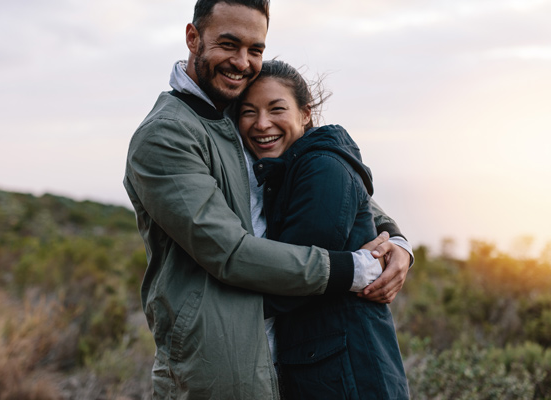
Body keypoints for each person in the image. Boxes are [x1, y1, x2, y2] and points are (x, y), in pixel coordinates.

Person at [123, 1, 412, 398]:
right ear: (193, 38)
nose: (242, 62)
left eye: (255, 49)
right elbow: (228, 251)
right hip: (218, 367)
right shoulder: (166, 135)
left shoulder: (235, 113)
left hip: (290, 358)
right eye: (228, 44)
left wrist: (394, 238)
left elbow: (322, 184)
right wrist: (350, 269)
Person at [238, 59, 410, 399]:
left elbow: (292, 278)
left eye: (276, 109)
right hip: (324, 367)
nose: (262, 124)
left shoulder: (321, 167)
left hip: (348, 373)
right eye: (248, 112)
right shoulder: (288, 168)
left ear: (305, 113)